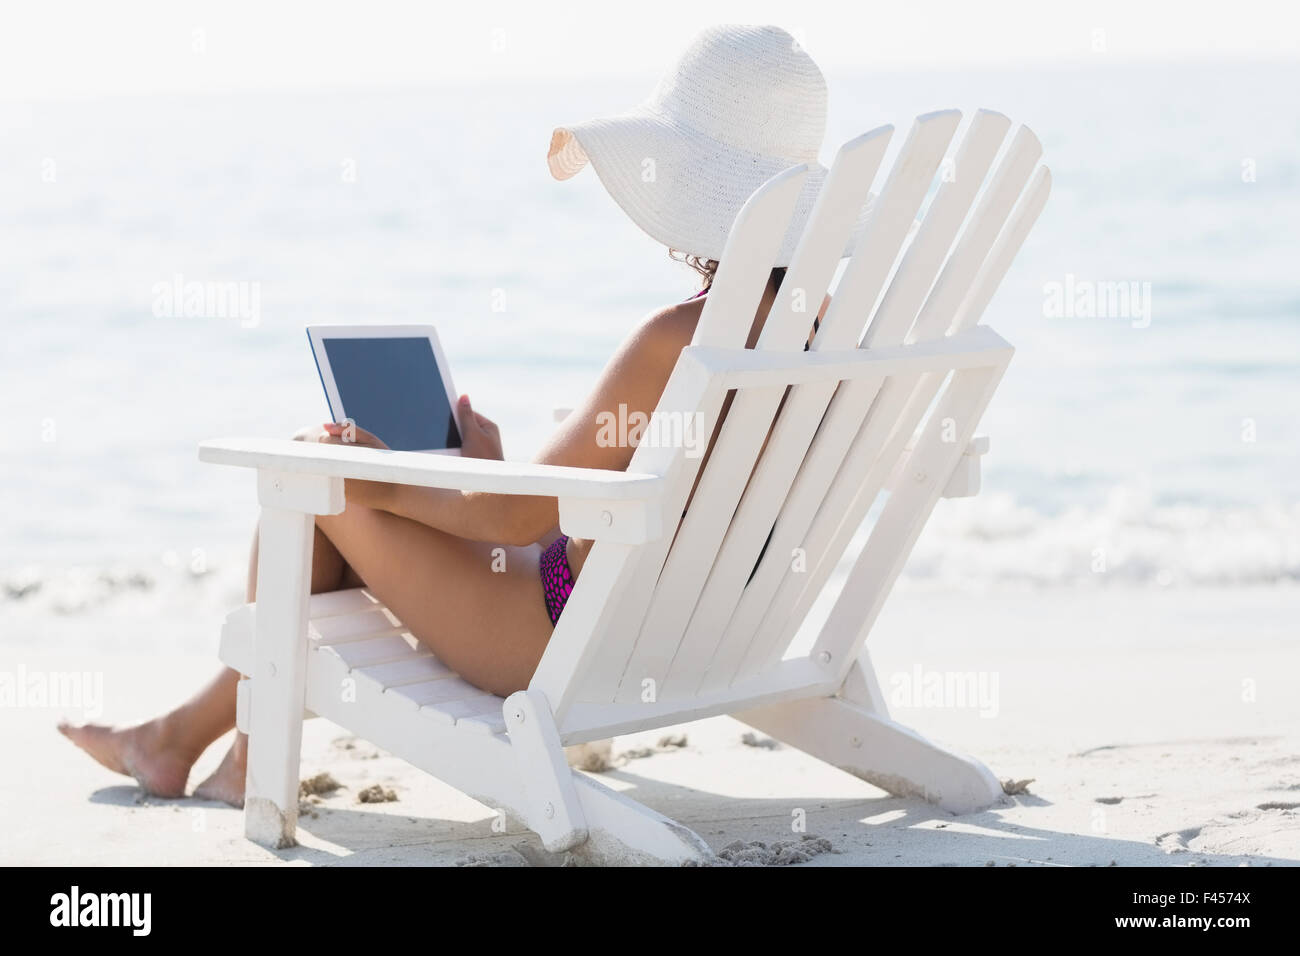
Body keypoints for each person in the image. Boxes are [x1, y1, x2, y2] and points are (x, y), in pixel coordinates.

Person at [60, 24, 866, 806]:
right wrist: (479, 480)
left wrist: (382, 482)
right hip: (706, 639)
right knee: (348, 491)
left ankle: (231, 754)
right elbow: (618, 503)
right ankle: (185, 740)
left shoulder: (679, 340)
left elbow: (514, 518)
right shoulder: (831, 336)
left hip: (553, 639)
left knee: (309, 474)